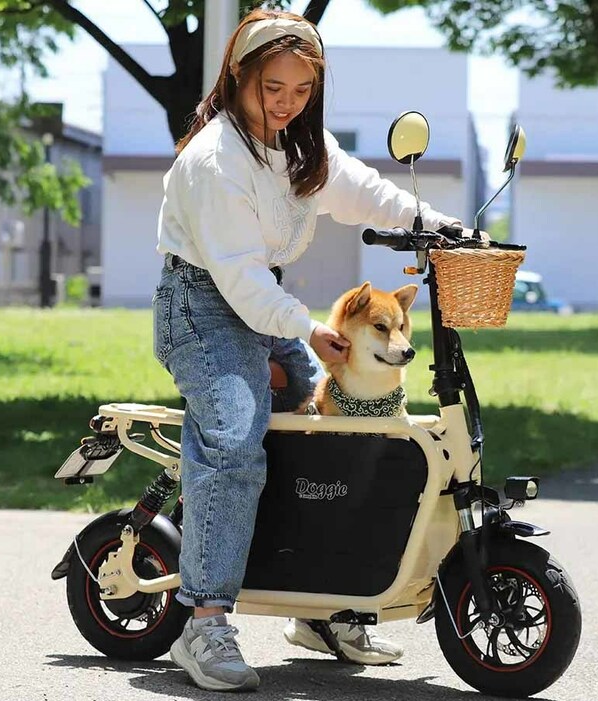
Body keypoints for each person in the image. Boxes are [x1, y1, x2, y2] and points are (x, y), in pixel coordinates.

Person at [153, 8, 464, 692]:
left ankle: (320, 603)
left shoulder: (300, 147)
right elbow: (235, 276)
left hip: (259, 302)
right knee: (237, 435)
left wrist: (433, 224)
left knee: (333, 427)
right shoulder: (215, 159)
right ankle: (203, 621)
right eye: (273, 88)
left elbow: (365, 193)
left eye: (301, 91)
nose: (286, 103)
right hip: (201, 305)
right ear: (239, 79)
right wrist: (306, 327)